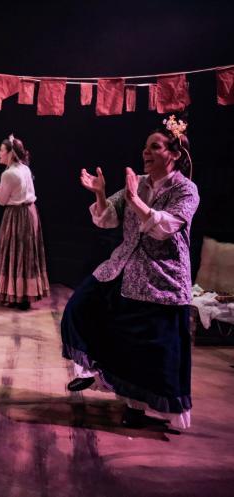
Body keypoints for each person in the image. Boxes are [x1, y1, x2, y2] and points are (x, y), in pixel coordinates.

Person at [61, 116, 198, 430]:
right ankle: (98, 374)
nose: (146, 152)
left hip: (164, 278)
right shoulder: (137, 181)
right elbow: (108, 218)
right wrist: (100, 193)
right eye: (145, 147)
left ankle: (139, 408)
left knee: (153, 350)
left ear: (174, 154)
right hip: (125, 267)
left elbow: (165, 227)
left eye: (155, 147)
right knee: (79, 308)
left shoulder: (186, 190)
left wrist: (136, 199)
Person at [0, 134, 49, 310]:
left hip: (16, 216)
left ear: (10, 153)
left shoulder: (8, 174)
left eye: (2, 150)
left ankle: (15, 295)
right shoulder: (24, 168)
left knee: (15, 252)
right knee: (25, 253)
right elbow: (14, 193)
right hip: (30, 213)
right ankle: (22, 295)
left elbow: (2, 201)